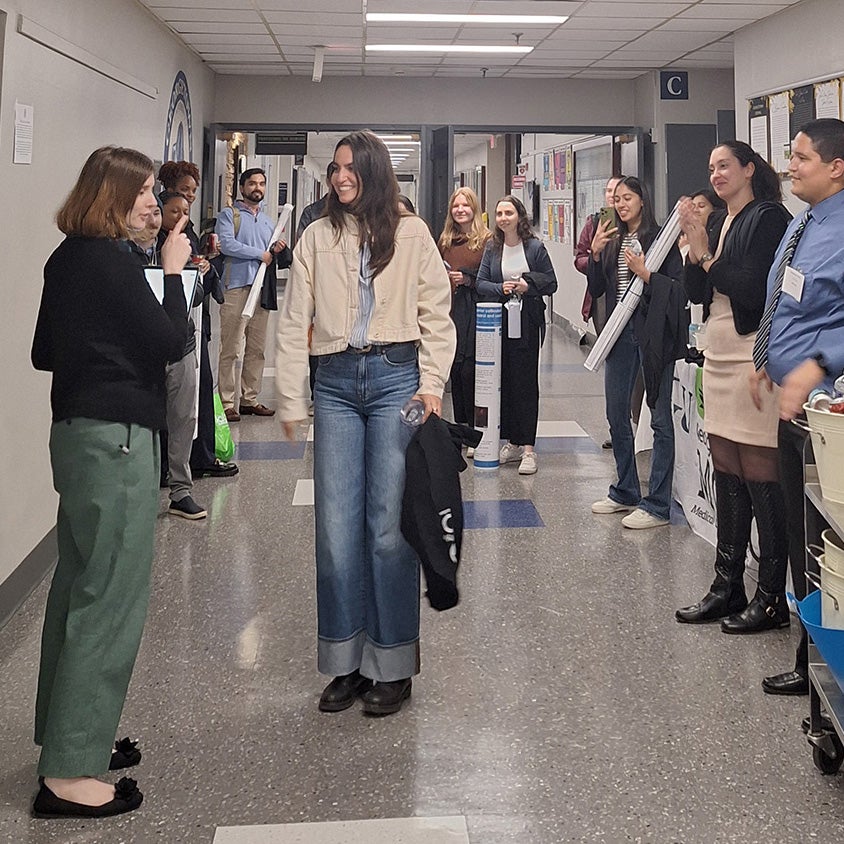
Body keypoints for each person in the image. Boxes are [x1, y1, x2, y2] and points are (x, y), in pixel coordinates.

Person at [30, 146, 191, 818]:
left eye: (156, 191)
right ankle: (69, 774)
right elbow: (171, 342)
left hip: (76, 437)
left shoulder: (67, 258)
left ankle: (68, 737)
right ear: (112, 196)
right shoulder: (113, 264)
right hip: (118, 440)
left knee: (76, 589)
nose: (156, 204)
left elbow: (44, 352)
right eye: (146, 192)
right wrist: (174, 275)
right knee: (110, 599)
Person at [276, 130, 455, 716]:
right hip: (333, 385)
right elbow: (293, 317)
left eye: (350, 168)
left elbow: (436, 313)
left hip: (395, 382)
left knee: (386, 529)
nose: (340, 177)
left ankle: (393, 663)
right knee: (335, 530)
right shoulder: (316, 235)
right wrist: (290, 396)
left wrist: (431, 386)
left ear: (375, 171)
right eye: (335, 169)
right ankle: (346, 661)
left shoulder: (411, 233)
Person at [675, 141, 792, 630]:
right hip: (717, 354)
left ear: (749, 168)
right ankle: (726, 585)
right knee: (725, 465)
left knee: (759, 469)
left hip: (752, 357)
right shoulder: (721, 220)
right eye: (710, 168)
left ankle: (771, 598)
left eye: (725, 165)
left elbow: (750, 287)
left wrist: (705, 259)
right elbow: (700, 292)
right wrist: (693, 247)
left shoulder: (768, 218)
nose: (716, 174)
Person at [750, 118, 844, 695]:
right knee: (796, 528)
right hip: (793, 408)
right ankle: (809, 658)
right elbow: (791, 295)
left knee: (819, 539)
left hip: (827, 415)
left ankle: (822, 665)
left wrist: (818, 362)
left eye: (802, 158)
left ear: (837, 167)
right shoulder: (805, 222)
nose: (790, 166)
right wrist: (769, 356)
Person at [588, 176, 686, 529]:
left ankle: (657, 503)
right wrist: (596, 254)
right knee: (616, 413)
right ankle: (625, 489)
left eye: (627, 197)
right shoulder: (613, 241)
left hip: (651, 335)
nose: (621, 204)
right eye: (616, 199)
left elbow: (678, 290)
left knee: (659, 418)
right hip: (618, 334)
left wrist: (645, 273)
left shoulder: (661, 240)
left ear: (642, 200)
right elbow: (599, 289)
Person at [157, 161, 238, 479]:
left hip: (193, 324)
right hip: (171, 326)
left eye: (192, 193)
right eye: (182, 193)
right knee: (176, 401)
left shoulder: (185, 232)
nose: (187, 201)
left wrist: (203, 266)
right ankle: (171, 467)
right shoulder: (157, 240)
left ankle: (197, 459)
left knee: (199, 392)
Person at [476, 195, 558, 475]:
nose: (503, 218)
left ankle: (529, 448)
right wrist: (503, 289)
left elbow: (551, 282)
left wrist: (526, 286)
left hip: (526, 320)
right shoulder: (493, 248)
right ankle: (511, 440)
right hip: (499, 320)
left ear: (519, 216)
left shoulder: (534, 247)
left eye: (508, 213)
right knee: (505, 380)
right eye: (499, 213)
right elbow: (481, 283)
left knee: (524, 382)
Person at [216, 168, 292, 421]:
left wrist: (277, 248)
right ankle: (227, 402)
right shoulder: (229, 215)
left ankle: (249, 399)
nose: (257, 188)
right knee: (231, 348)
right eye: (252, 184)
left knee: (257, 349)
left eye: (261, 184)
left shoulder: (269, 221)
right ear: (242, 187)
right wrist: (260, 254)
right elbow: (227, 245)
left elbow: (271, 252)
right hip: (237, 287)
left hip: (262, 290)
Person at [154, 191, 208, 519]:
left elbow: (197, 295)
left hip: (183, 345)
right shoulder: (136, 248)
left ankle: (180, 490)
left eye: (186, 212)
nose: (181, 218)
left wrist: (191, 271)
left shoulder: (185, 246)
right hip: (148, 349)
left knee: (183, 419)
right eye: (175, 211)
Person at [437, 187, 491, 439]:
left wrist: (467, 279)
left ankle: (476, 429)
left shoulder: (487, 241)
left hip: (477, 311)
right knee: (456, 371)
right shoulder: (445, 241)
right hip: (452, 310)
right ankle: (461, 429)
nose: (460, 210)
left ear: (474, 209)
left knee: (472, 371)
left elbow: (490, 277)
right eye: (456, 206)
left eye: (465, 205)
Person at [574, 175, 622, 335]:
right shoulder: (594, 223)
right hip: (601, 288)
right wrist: (595, 259)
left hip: (625, 286)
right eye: (608, 190)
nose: (612, 195)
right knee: (605, 338)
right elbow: (579, 258)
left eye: (617, 191)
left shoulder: (633, 224)